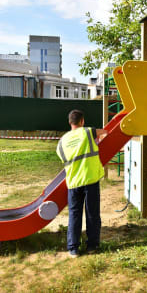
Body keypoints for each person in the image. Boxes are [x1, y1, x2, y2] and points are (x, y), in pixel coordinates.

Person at [56, 109, 107, 258]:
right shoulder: (88, 132)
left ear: (70, 122)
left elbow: (64, 159)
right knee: (92, 214)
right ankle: (92, 246)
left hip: (73, 183)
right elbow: (104, 132)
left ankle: (73, 249)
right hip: (90, 179)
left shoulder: (62, 142)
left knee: (74, 215)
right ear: (82, 121)